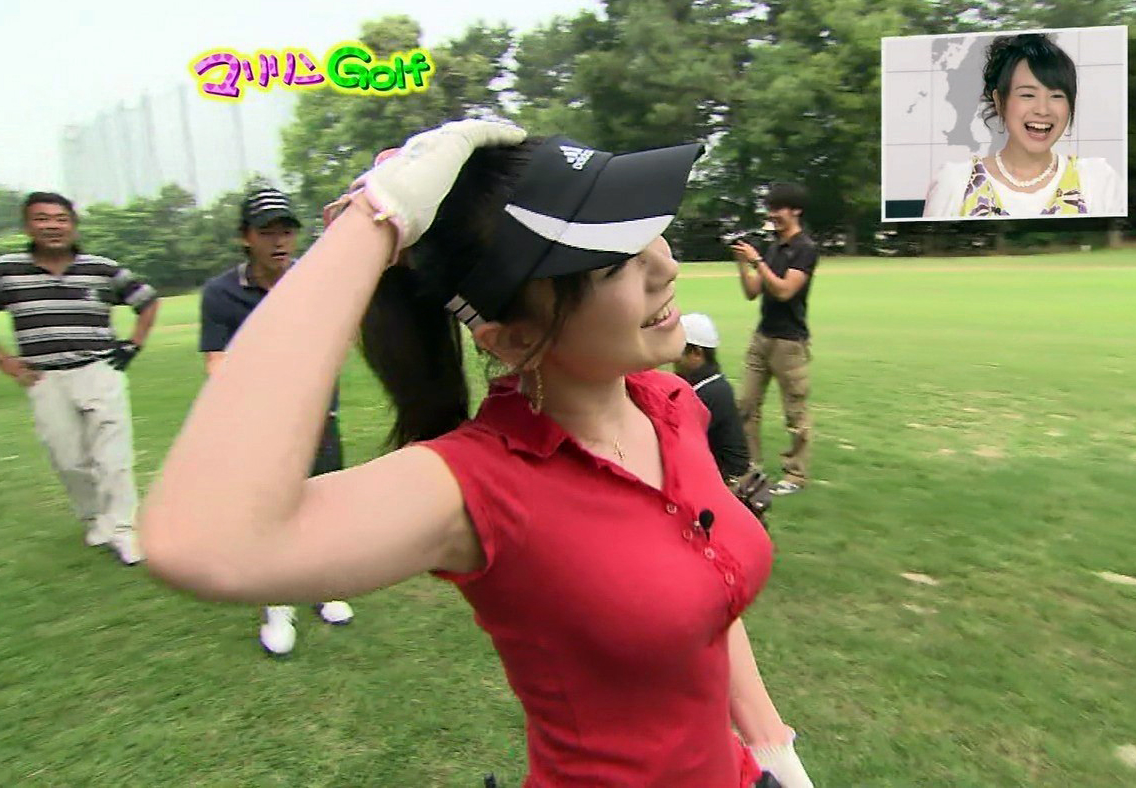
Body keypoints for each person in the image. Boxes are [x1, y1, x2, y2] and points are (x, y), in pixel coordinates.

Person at [140, 122, 814, 786]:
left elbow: (704, 603)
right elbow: (206, 541)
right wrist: (374, 219)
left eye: (643, 230)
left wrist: (773, 751)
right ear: (511, 339)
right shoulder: (479, 485)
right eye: (612, 262)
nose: (665, 266)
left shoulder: (670, 404)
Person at [0, 191, 159, 565]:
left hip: (99, 370)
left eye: (61, 219)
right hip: (44, 377)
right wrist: (1, 359)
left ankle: (124, 529)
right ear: (27, 226)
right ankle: (95, 518)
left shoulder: (101, 268)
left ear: (73, 225)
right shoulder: (4, 271)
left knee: (113, 457)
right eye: (42, 219)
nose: (52, 226)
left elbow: (146, 300)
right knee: (68, 460)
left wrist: (134, 344)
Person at [197, 187, 355, 656]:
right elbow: (216, 361)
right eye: (267, 231)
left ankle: (323, 585)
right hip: (260, 420)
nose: (280, 240)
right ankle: (278, 602)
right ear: (245, 237)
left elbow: (338, 340)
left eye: (286, 230)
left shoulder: (316, 279)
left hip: (317, 412)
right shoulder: (221, 293)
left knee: (321, 500)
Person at [922, 32, 1126, 218]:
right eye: (1027, 95)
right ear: (1000, 101)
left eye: (1056, 96)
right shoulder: (956, 182)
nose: (1043, 110)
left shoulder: (1097, 180)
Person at [730, 183, 818, 496]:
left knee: (795, 411)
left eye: (778, 208)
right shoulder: (774, 247)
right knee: (745, 405)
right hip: (762, 337)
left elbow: (784, 290)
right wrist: (743, 263)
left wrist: (757, 261)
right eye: (770, 209)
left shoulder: (805, 248)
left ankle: (795, 474)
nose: (772, 215)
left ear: (796, 210)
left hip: (789, 342)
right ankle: (751, 468)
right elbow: (752, 292)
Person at [674, 312, 750, 482]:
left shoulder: (710, 392)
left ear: (697, 353)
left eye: (679, 350)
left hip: (727, 482)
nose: (673, 358)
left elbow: (675, 440)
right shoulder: (709, 383)